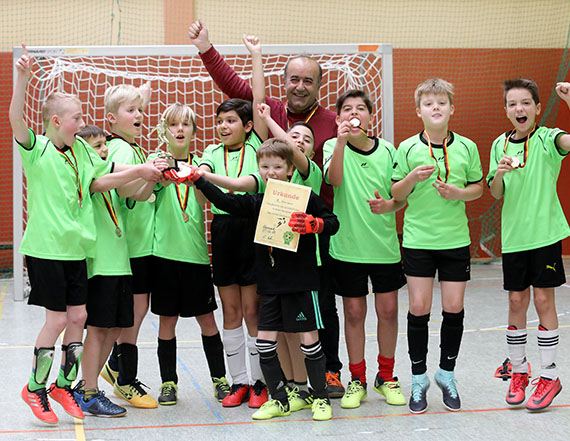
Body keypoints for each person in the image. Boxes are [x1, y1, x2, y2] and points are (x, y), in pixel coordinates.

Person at [189, 21, 345, 397]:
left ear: (318, 85)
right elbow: (239, 90)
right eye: (293, 78)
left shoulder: (322, 129)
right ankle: (284, 385)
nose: (299, 85)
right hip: (269, 241)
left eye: (308, 80)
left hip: (309, 237)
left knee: (319, 310)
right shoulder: (268, 114)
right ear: (285, 80)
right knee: (275, 316)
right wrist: (213, 49)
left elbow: (327, 195)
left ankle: (328, 374)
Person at [11, 46, 165, 424]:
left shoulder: (81, 149)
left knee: (79, 317)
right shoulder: (37, 149)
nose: (82, 123)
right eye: (76, 118)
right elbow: (15, 118)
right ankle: (34, 388)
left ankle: (66, 384)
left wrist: (140, 171)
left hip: (77, 250)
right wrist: (22, 79)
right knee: (58, 321)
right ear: (55, 121)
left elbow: (102, 179)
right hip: (47, 248)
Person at [184, 138, 339, 421]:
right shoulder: (257, 202)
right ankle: (279, 399)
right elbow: (225, 201)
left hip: (302, 285)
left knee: (309, 342)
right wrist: (200, 179)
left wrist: (314, 225)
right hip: (269, 286)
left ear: (290, 168)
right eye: (265, 166)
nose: (271, 172)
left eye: (278, 166)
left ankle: (319, 398)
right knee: (265, 343)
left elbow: (332, 221)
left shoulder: (305, 197)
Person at [487, 78, 570, 411]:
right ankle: (518, 372)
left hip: (544, 235)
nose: (520, 109)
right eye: (513, 103)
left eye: (526, 103)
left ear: (537, 108)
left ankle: (549, 375)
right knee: (517, 301)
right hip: (514, 238)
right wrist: (499, 172)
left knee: (544, 299)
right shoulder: (499, 145)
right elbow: (496, 192)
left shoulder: (547, 139)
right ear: (506, 110)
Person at [390, 79, 483, 413]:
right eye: (429, 104)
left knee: (454, 308)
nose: (436, 108)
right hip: (417, 240)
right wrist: (412, 178)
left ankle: (446, 373)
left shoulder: (467, 147)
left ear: (452, 108)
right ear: (419, 111)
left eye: (442, 103)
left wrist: (459, 193)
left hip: (456, 240)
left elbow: (478, 188)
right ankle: (418, 379)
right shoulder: (406, 148)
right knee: (418, 307)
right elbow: (396, 194)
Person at [323, 89, 406, 409]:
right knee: (354, 313)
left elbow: (402, 196)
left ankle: (386, 376)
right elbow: (336, 180)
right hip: (347, 247)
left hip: (384, 248)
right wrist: (341, 141)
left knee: (388, 311)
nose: (353, 114)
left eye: (360, 109)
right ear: (340, 118)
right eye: (346, 109)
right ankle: (357, 379)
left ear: (371, 117)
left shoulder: (388, 150)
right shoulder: (333, 146)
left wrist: (391, 204)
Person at [75, 125, 164, 417]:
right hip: (99, 265)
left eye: (104, 145)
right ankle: (88, 391)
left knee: (114, 328)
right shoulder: (86, 176)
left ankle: (87, 386)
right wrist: (142, 169)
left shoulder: (114, 183)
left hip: (120, 264)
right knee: (99, 329)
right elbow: (98, 184)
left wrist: (154, 178)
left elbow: (138, 195)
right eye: (96, 146)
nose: (103, 150)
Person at [149, 103, 229, 405]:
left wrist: (196, 176)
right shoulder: (154, 163)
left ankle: (219, 379)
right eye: (172, 125)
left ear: (194, 131)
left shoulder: (202, 165)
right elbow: (146, 197)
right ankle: (168, 383)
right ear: (164, 131)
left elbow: (202, 199)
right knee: (166, 322)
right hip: (164, 255)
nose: (179, 130)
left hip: (195, 256)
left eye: (185, 125)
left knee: (207, 321)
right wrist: (158, 176)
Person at [198, 98, 267, 408]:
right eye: (220, 120)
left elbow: (242, 184)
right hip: (223, 231)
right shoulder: (211, 153)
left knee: (253, 310)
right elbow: (202, 170)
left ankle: (259, 382)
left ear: (248, 126)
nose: (223, 126)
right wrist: (197, 171)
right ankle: (238, 381)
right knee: (231, 311)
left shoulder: (257, 149)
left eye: (231, 121)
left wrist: (201, 177)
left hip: (252, 228)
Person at [100, 83, 160, 409]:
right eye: (130, 111)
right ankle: (124, 380)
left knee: (138, 312)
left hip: (142, 244)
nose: (139, 115)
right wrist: (151, 178)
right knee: (133, 316)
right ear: (111, 119)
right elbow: (126, 191)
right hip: (131, 247)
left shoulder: (132, 146)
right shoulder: (121, 150)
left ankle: (115, 367)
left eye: (140, 110)